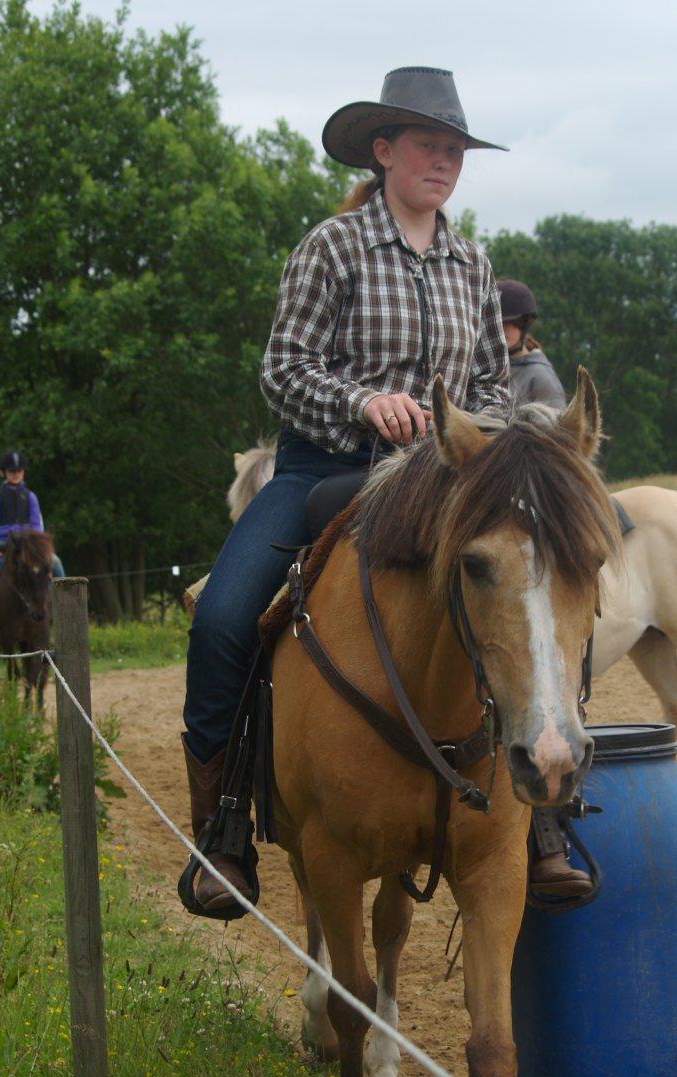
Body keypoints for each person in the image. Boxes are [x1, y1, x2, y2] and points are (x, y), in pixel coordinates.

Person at [181, 67, 512, 915]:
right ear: (385, 149)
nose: (445, 161)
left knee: (539, 588)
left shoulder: (474, 266)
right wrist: (363, 400)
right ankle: (221, 830)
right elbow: (282, 370)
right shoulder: (329, 248)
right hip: (325, 470)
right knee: (223, 619)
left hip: (444, 479)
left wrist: (468, 432)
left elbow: (497, 393)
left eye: (456, 149)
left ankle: (542, 815)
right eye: (429, 145)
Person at [0, 450, 65, 641]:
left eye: (19, 470)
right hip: (4, 544)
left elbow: (38, 525)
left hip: (29, 546)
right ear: (3, 473)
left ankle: (66, 604)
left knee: (56, 563)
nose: (15, 473)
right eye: (11, 470)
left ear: (23, 472)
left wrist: (40, 547)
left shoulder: (30, 496)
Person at [497, 278, 567, 410]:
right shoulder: (483, 371)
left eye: (510, 323)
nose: (502, 329)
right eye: (495, 324)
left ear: (524, 324)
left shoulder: (541, 379)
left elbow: (554, 430)